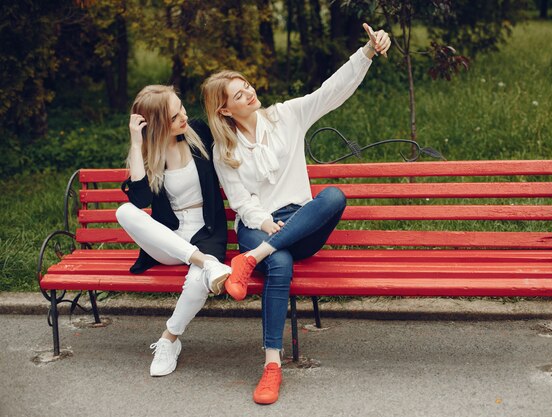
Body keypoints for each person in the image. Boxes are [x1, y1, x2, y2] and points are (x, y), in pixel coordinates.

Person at [201, 23, 391, 405]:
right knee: (281, 259)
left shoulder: (286, 116)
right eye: (239, 94)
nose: (250, 93)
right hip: (259, 225)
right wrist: (267, 224)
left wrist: (367, 52)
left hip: (299, 222)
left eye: (248, 86)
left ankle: (250, 260)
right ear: (225, 109)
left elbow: (331, 91)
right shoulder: (225, 148)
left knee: (334, 196)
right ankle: (272, 365)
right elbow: (240, 200)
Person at [115, 85, 231, 377]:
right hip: (169, 238)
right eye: (174, 115)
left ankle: (169, 339)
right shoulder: (148, 153)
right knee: (123, 211)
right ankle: (206, 263)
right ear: (156, 124)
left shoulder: (199, 133)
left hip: (206, 231)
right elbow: (140, 201)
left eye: (181, 107)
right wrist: (135, 140)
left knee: (197, 282)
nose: (184, 115)